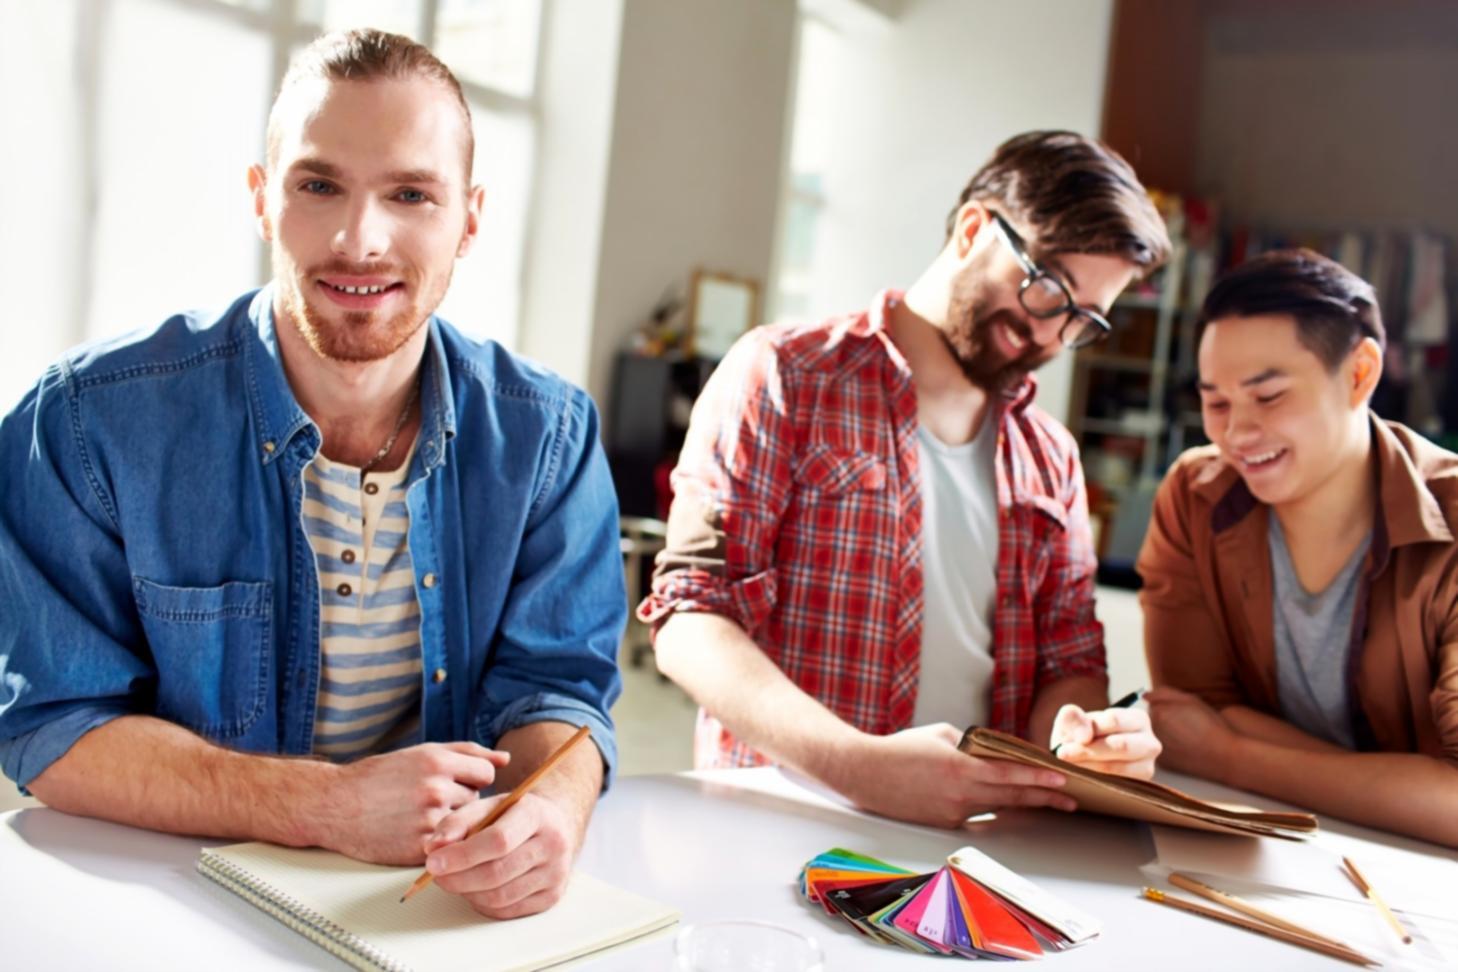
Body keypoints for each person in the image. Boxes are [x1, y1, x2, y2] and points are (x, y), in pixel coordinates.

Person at [0, 29, 626, 917]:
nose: (357, 240)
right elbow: (53, 730)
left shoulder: (549, 436)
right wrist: (326, 807)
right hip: (173, 903)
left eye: (411, 193)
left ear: (470, 218)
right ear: (262, 199)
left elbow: (561, 689)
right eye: (318, 185)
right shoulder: (82, 420)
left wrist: (550, 813)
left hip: (427, 913)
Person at [640, 131, 1168, 828]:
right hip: (783, 823)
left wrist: (1083, 740)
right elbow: (690, 620)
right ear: (976, 227)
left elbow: (1070, 658)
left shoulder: (1053, 456)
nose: (1050, 337)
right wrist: (860, 767)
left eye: (1082, 320)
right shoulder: (785, 374)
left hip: (979, 856)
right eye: (1050, 290)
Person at [1138, 249, 1458, 848]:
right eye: (1217, 402)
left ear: (1360, 373)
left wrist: (1233, 757)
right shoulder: (1197, 496)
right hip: (1258, 851)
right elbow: (1187, 719)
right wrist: (1409, 784)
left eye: (1269, 396)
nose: (1236, 434)